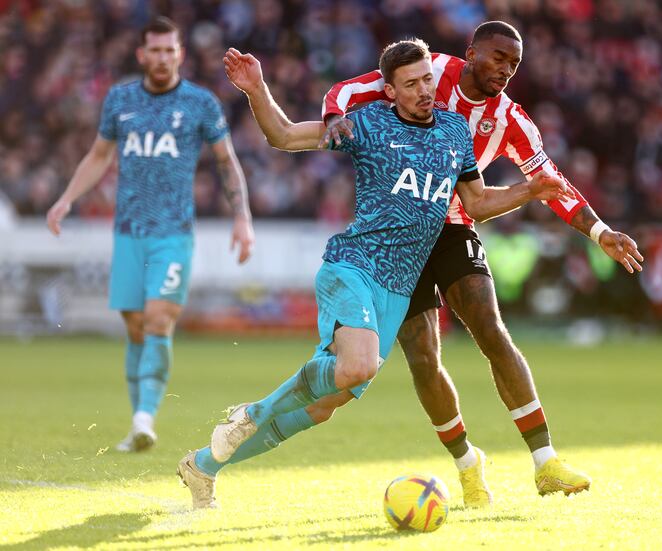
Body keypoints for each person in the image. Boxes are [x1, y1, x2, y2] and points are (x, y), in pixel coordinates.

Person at [176, 39, 573, 509]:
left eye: (428, 79)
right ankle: (252, 413)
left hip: (397, 292)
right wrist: (257, 89)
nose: (425, 90)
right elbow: (283, 136)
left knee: (323, 407)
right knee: (358, 367)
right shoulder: (367, 125)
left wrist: (528, 191)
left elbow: (478, 203)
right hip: (355, 267)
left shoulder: (452, 132)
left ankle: (204, 465)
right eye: (411, 84)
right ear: (390, 91)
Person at [319, 21, 645, 503]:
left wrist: (600, 231)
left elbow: (551, 182)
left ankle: (545, 461)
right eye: (497, 57)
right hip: (399, 234)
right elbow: (353, 88)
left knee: (491, 330)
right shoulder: (432, 73)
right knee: (424, 357)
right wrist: (331, 118)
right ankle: (468, 464)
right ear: (471, 53)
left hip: (452, 228)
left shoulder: (511, 119)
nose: (505, 70)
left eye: (513, 64)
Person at [46, 17, 255, 453]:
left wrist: (242, 217)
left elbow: (226, 160)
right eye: (154, 50)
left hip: (173, 233)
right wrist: (66, 199)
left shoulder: (200, 103)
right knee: (136, 326)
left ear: (180, 54)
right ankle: (138, 417)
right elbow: (99, 155)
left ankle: (145, 420)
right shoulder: (120, 100)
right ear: (142, 55)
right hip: (128, 233)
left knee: (159, 319)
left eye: (169, 50)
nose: (162, 58)